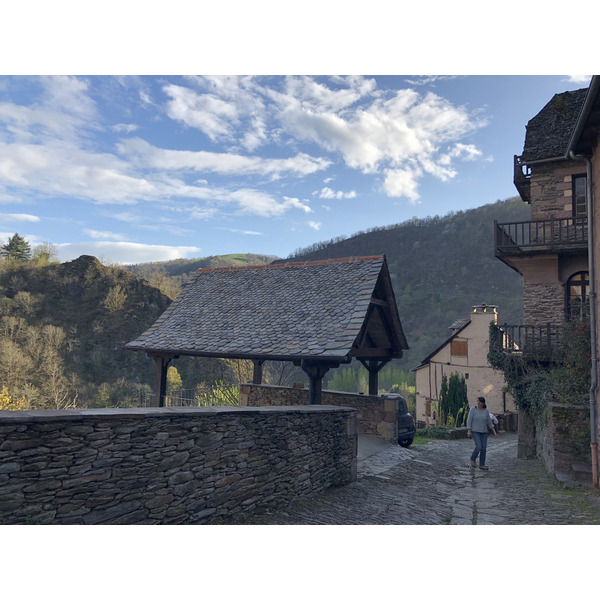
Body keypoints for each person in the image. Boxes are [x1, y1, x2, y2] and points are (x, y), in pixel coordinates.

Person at [466, 396, 497, 470]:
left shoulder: (485, 411)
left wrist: (494, 432)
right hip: (475, 431)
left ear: (483, 403)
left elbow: (489, 422)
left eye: (480, 402)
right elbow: (469, 420)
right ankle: (472, 458)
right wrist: (469, 430)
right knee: (479, 446)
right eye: (477, 401)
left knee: (483, 449)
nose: (478, 403)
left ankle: (482, 464)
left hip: (484, 432)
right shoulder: (473, 409)